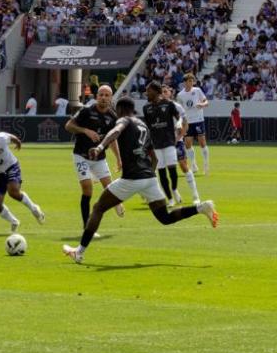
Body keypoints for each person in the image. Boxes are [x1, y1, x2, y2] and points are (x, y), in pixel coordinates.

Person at [61, 97, 216, 264]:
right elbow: (154, 158)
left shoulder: (123, 120)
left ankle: (79, 252)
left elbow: (115, 132)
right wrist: (148, 174)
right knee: (165, 217)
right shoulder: (143, 126)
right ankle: (201, 207)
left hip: (131, 178)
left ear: (120, 110)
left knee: (98, 208)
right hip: (149, 178)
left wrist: (99, 147)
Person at [65, 85, 117, 234]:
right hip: (81, 155)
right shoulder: (86, 111)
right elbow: (68, 125)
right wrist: (85, 130)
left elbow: (113, 140)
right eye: (101, 95)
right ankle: (87, 227)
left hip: (100, 158)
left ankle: (116, 204)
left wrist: (118, 159)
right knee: (88, 189)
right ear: (96, 96)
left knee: (111, 189)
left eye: (107, 95)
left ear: (111, 98)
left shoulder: (113, 117)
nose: (104, 98)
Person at [0, 131, 45, 232]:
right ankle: (14, 222)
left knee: (13, 192)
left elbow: (9, 136)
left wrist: (17, 141)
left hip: (11, 166)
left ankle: (34, 209)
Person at [143, 83, 194, 202]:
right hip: (156, 144)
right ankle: (170, 199)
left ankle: (174, 190)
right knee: (161, 172)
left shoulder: (169, 104)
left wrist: (179, 122)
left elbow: (179, 117)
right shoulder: (146, 108)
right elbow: (148, 126)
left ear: (156, 92)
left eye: (148, 91)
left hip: (169, 142)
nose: (147, 93)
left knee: (172, 170)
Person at [177, 73, 209, 172]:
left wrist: (202, 104)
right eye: (189, 81)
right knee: (188, 144)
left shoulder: (197, 90)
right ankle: (193, 164)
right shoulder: (180, 95)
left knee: (202, 143)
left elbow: (206, 102)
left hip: (199, 120)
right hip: (188, 122)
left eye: (192, 81)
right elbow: (179, 110)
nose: (191, 83)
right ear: (185, 82)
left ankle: (205, 164)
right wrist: (180, 122)